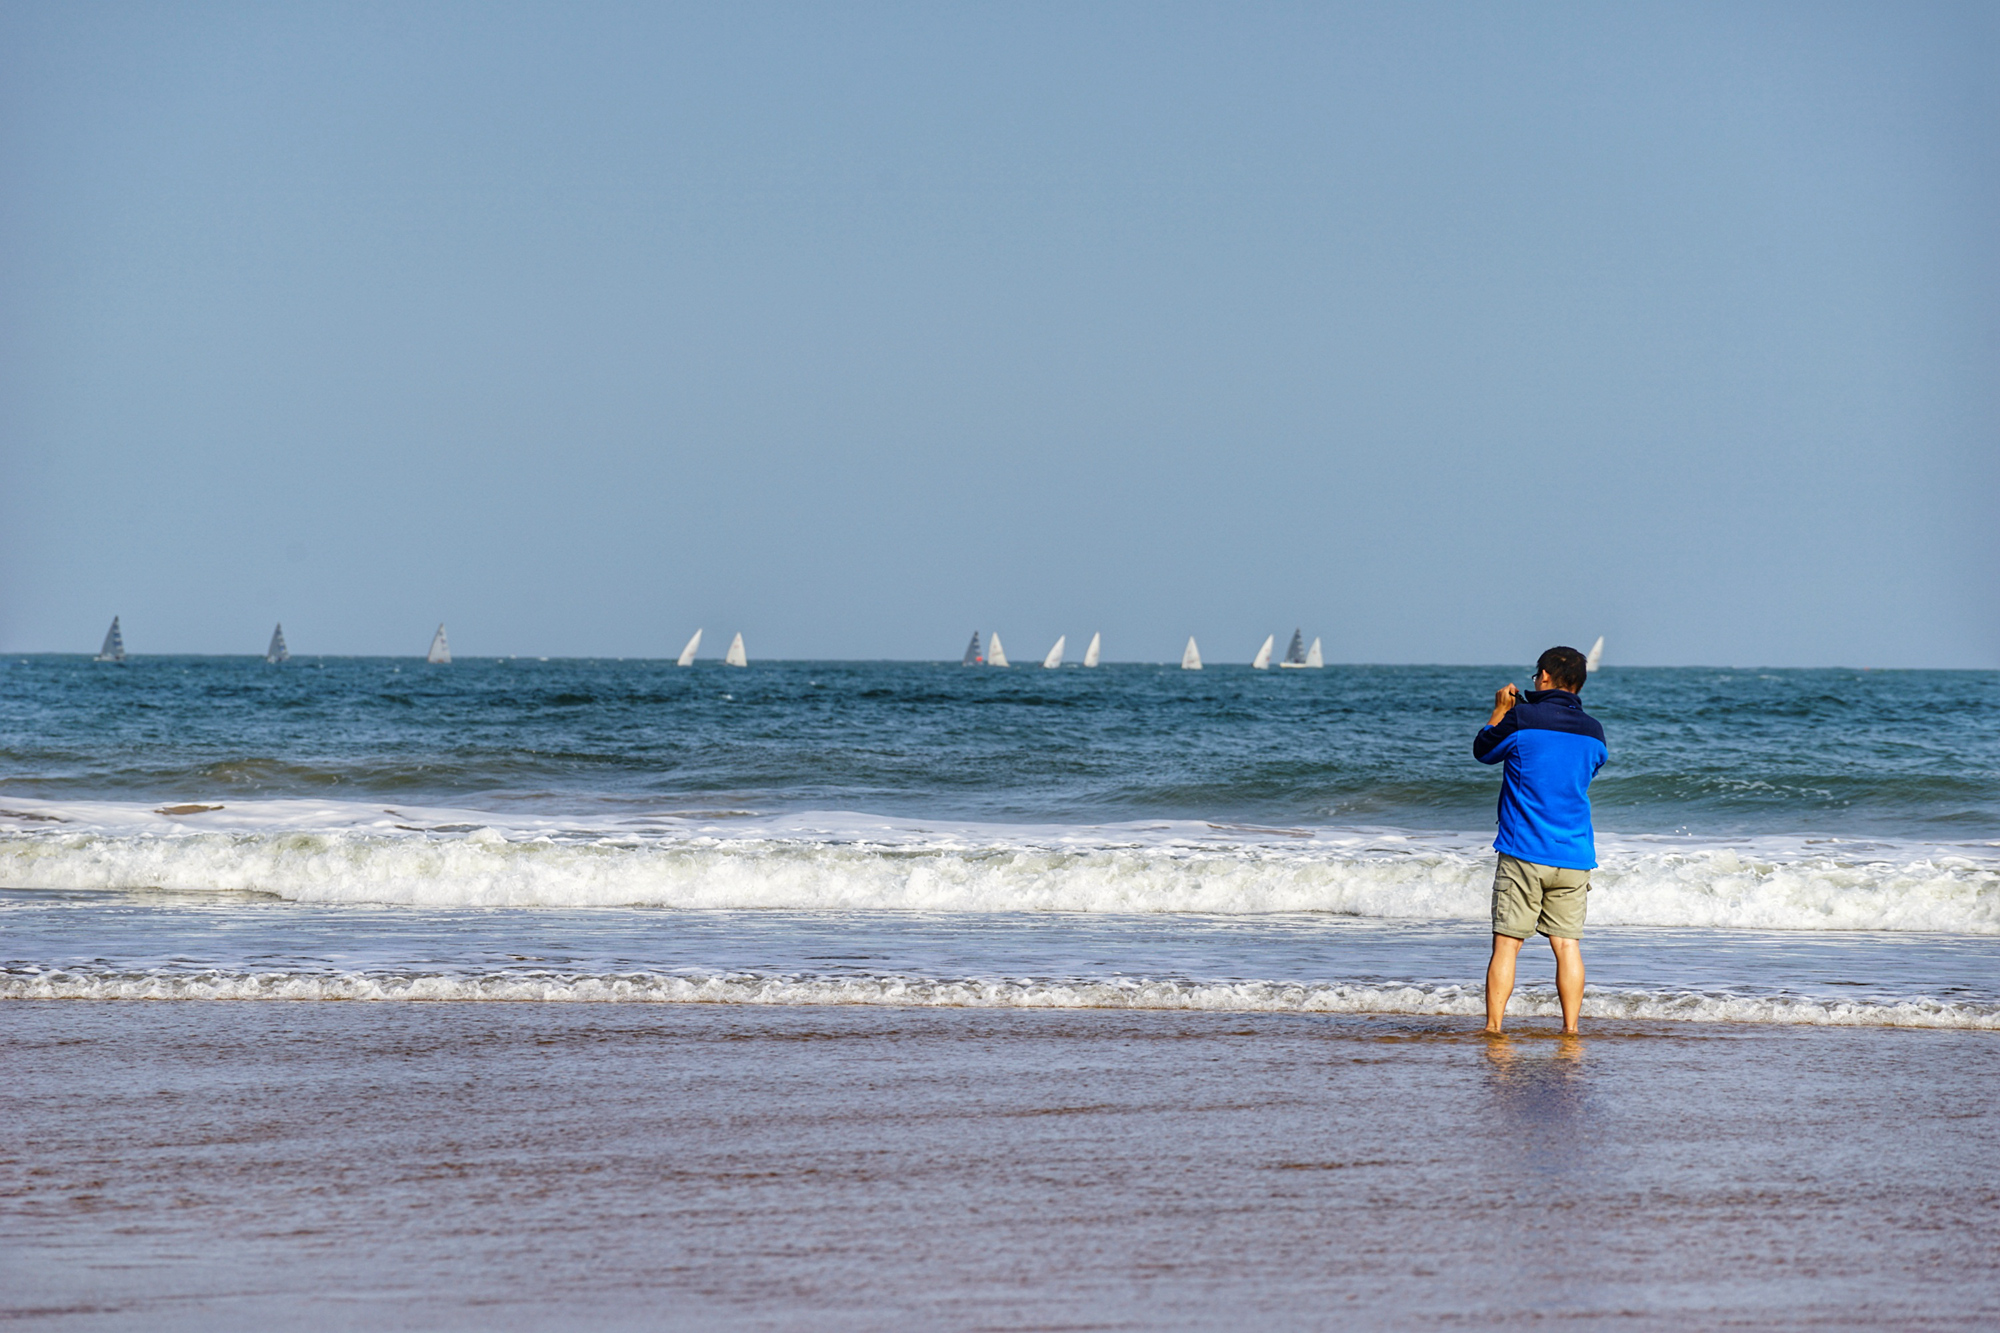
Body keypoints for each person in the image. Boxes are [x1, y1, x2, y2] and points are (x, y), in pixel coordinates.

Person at [1473, 645, 1607, 1035]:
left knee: (1507, 945)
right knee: (1567, 946)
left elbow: (1484, 751)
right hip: (1575, 854)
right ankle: (1570, 1031)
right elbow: (1589, 769)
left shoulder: (1520, 718)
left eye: (1537, 676)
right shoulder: (1595, 732)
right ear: (1578, 685)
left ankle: (1495, 1029)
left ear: (1545, 677)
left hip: (1524, 851)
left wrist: (1499, 711)